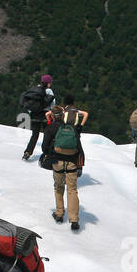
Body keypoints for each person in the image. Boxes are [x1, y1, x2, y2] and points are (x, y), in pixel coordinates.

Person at [49, 96, 86, 230]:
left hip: (57, 162)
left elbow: (44, 147)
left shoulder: (52, 128)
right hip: (72, 163)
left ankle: (59, 214)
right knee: (72, 190)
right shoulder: (73, 129)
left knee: (59, 187)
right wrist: (80, 164)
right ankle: (74, 219)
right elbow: (79, 149)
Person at [20, 75, 54, 160]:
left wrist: (32, 111)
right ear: (49, 83)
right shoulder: (49, 91)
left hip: (34, 115)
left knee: (34, 135)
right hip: (46, 115)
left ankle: (28, 152)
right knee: (47, 135)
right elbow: (53, 105)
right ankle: (47, 153)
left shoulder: (34, 89)